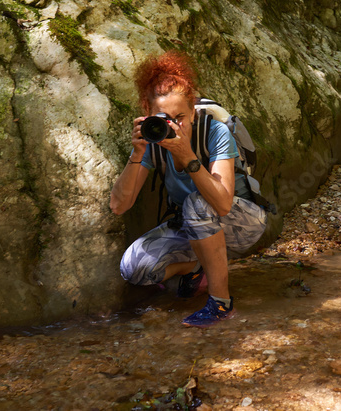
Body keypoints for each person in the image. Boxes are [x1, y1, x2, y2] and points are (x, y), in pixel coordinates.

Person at [110, 52, 267, 326]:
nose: (174, 126)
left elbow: (222, 204)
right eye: (163, 118)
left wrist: (188, 157)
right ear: (148, 116)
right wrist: (137, 154)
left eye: (180, 116)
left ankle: (221, 302)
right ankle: (198, 266)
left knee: (199, 202)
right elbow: (118, 206)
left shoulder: (214, 132)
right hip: (193, 226)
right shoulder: (152, 143)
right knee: (133, 267)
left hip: (242, 222)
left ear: (193, 110)